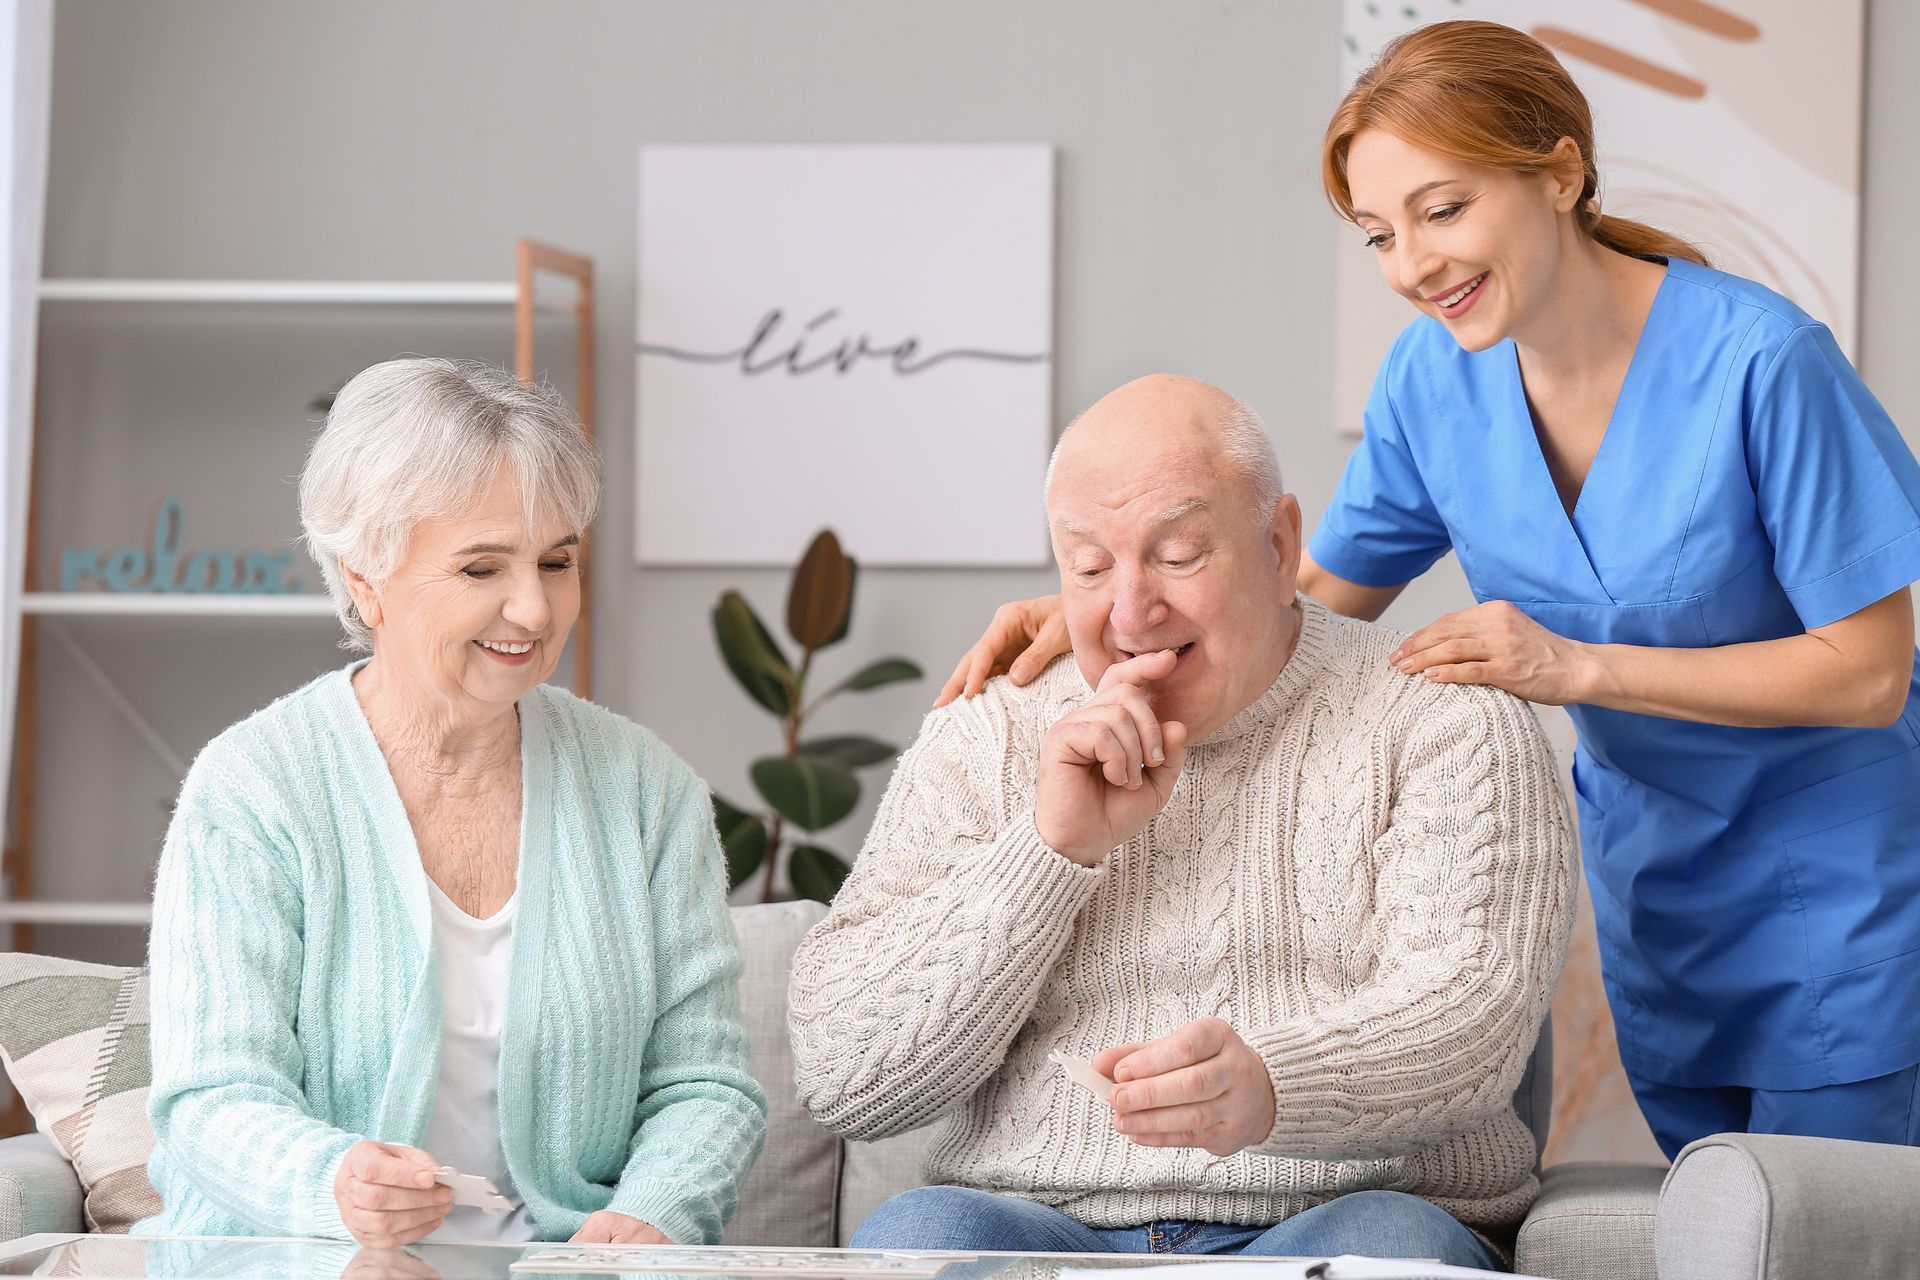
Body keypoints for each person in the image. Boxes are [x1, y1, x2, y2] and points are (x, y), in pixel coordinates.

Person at [936, 20, 1920, 1160]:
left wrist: (1574, 666)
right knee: (1710, 1230)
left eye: (1442, 211)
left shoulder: (1764, 364)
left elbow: (1869, 671)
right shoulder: (1430, 382)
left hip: (1842, 884)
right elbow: (1301, 595)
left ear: (1560, 172)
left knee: (1826, 1239)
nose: (1413, 264)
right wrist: (1121, 604)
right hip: (1659, 889)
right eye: (1379, 236)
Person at [789, 375, 1576, 1268]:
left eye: (1177, 554)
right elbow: (844, 1079)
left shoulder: (1447, 721)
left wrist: (1278, 1086)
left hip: (1355, 1205)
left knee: (1385, 1251)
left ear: (1280, 547)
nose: (1130, 612)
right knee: (920, 1242)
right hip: (1038, 1221)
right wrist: (1047, 851)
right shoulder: (987, 732)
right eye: (1089, 568)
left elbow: (1471, 1024)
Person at [138, 358, 767, 1247]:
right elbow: (211, 1095)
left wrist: (647, 1216)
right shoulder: (254, 788)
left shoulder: (644, 790)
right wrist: (331, 1185)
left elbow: (703, 1085)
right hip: (300, 1260)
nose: (535, 609)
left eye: (558, 562)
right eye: (481, 569)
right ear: (365, 579)